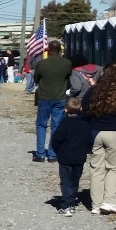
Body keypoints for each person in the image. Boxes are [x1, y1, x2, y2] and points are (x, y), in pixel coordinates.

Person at [50, 98, 93, 217]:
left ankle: (66, 205)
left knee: (66, 182)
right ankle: (72, 202)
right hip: (79, 158)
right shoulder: (85, 125)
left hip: (65, 158)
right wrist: (86, 151)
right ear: (81, 109)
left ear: (65, 109)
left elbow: (56, 140)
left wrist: (58, 152)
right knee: (75, 181)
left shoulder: (64, 123)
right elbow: (89, 141)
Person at [32, 39, 72, 162]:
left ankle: (40, 153)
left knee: (41, 124)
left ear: (48, 51)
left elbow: (36, 79)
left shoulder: (42, 64)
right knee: (56, 125)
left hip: (44, 97)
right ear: (60, 50)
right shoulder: (67, 63)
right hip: (60, 97)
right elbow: (68, 77)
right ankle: (52, 154)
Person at [83, 66, 116, 213]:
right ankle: (109, 201)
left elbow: (84, 109)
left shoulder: (94, 91)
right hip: (113, 132)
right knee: (113, 168)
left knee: (96, 168)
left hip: (95, 131)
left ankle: (96, 204)